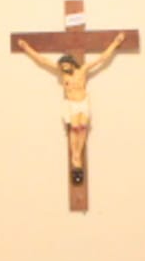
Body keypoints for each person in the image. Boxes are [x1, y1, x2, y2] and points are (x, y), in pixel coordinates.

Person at [16, 32, 127, 173]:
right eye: (62, 67)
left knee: (82, 129)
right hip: (72, 104)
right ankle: (74, 155)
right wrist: (27, 48)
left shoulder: (82, 70)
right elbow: (42, 60)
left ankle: (78, 155)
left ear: (71, 62)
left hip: (83, 102)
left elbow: (102, 59)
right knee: (74, 128)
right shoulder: (63, 73)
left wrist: (115, 43)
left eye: (65, 65)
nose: (63, 68)